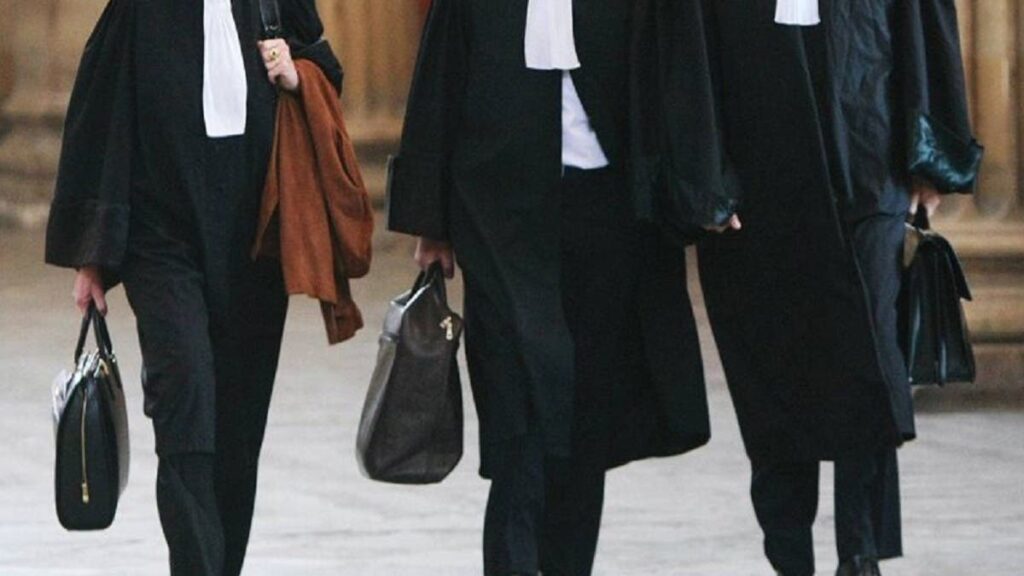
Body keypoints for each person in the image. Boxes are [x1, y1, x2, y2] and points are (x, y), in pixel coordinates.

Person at [388, 1, 716, 574]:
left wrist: (703, 186)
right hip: (497, 210)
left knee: (587, 411)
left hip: (607, 209)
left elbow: (674, 69)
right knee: (517, 406)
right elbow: (442, 74)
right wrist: (430, 220)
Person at [666, 1, 981, 575]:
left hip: (866, 157)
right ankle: (789, 555)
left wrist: (932, 158)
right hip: (755, 175)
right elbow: (684, 42)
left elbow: (921, 17)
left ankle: (860, 552)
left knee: (869, 360)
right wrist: (703, 177)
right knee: (771, 376)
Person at [44, 1, 343, 574]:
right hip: (162, 240)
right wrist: (92, 257)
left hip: (257, 238)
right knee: (185, 401)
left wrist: (295, 73)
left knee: (238, 428)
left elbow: (326, 70)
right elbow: (104, 112)